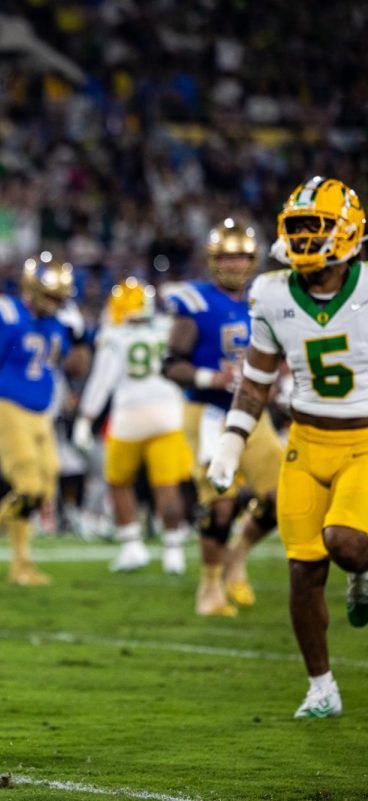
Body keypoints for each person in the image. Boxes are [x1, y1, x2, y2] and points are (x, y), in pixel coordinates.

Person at [208, 176, 368, 718]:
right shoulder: (272, 293)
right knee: (303, 571)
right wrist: (232, 441)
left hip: (363, 442)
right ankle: (321, 687)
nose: (304, 238)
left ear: (347, 232)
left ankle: (363, 571)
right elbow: (255, 381)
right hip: (305, 440)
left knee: (346, 543)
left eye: (315, 227)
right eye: (297, 227)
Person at [163, 219, 282, 615]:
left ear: (254, 259)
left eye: (242, 256)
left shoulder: (264, 299)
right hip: (208, 410)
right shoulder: (195, 302)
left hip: (252, 411)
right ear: (213, 259)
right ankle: (210, 587)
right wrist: (209, 376)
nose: (235, 263)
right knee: (220, 503)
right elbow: (170, 364)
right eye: (227, 256)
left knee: (281, 497)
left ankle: (238, 556)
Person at [0, 253, 86, 585]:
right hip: (6, 408)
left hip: (41, 414)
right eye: (52, 297)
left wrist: (80, 339)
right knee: (28, 485)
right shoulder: (8, 315)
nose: (57, 304)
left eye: (61, 298)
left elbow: (76, 368)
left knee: (45, 487)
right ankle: (19, 562)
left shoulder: (57, 323)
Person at [73, 278, 191, 573]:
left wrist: (85, 419)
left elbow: (102, 381)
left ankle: (132, 546)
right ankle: (173, 551)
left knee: (118, 482)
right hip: (169, 414)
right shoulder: (168, 326)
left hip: (129, 416)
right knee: (167, 486)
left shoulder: (115, 336)